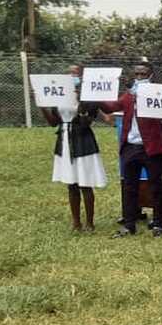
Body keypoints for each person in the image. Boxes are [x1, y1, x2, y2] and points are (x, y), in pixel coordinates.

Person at [100, 62, 162, 238]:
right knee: (129, 186)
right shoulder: (128, 96)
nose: (140, 77)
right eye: (137, 74)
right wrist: (97, 97)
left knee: (156, 185)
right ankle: (129, 224)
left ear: (151, 75)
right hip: (130, 147)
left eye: (143, 74)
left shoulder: (158, 94)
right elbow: (111, 107)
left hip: (151, 147)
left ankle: (158, 223)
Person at [41, 63, 107, 231]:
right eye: (70, 73)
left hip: (83, 140)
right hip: (65, 139)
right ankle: (76, 222)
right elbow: (53, 122)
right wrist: (42, 105)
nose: (73, 77)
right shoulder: (58, 96)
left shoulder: (89, 98)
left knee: (85, 183)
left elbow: (87, 122)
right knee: (71, 183)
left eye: (76, 74)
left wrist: (80, 103)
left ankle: (90, 223)